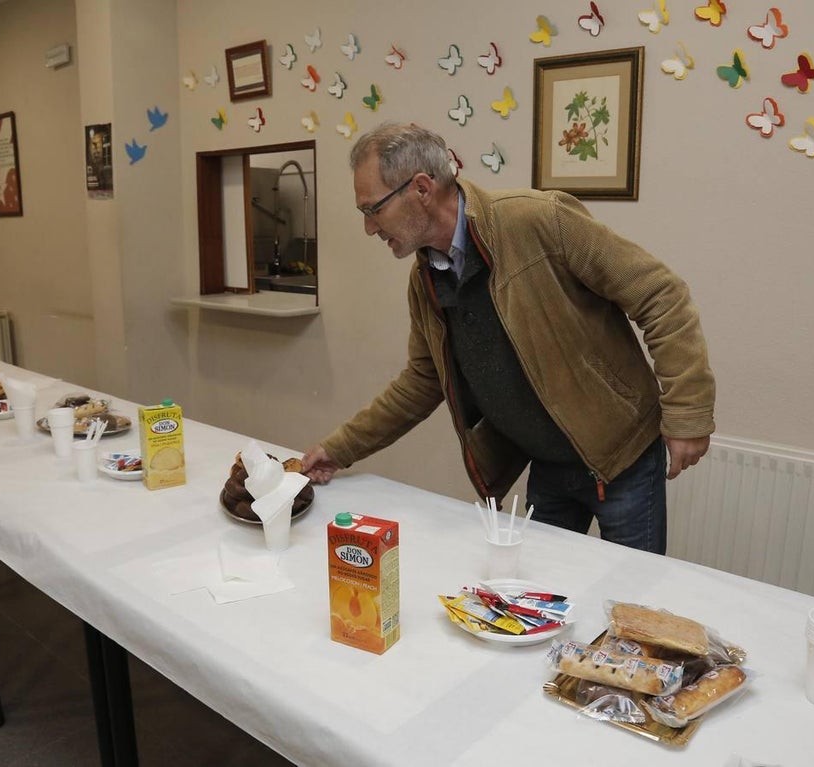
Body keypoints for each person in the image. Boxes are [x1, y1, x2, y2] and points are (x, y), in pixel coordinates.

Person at [301, 122, 715, 554]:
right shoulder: (425, 280)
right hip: (549, 465)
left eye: (373, 209)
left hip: (623, 457)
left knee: (632, 604)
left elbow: (661, 295)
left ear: (421, 189)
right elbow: (422, 381)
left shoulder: (538, 220)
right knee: (542, 601)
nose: (370, 228)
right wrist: (340, 448)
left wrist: (688, 411)